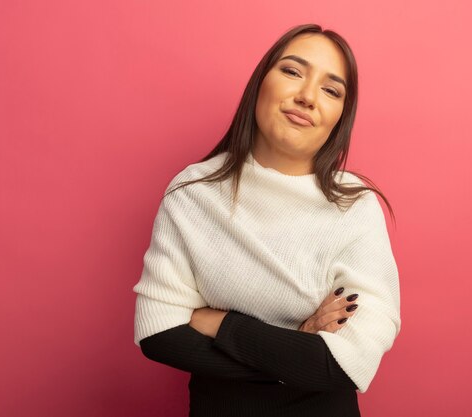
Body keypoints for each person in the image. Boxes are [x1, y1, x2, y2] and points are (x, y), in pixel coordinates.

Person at [132, 23, 401, 417]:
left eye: (331, 90)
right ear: (261, 83)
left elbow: (343, 364)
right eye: (292, 71)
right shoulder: (192, 192)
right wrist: (297, 343)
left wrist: (218, 323)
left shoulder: (355, 207)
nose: (307, 96)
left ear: (340, 116)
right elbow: (158, 334)